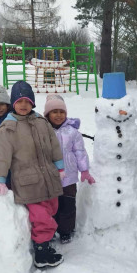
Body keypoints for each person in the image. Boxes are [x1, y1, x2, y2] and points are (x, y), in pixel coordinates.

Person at [0, 81, 65, 268]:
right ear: (13, 104)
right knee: (41, 217)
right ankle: (41, 253)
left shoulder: (41, 122)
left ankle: (45, 238)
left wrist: (59, 166)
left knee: (52, 209)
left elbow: (54, 145)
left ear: (32, 102)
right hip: (28, 182)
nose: (23, 105)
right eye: (19, 101)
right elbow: (2, 156)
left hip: (48, 176)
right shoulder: (8, 128)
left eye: (27, 101)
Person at [44, 94, 95, 244]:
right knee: (52, 205)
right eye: (54, 112)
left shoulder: (73, 132)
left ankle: (66, 231)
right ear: (47, 114)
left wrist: (84, 170)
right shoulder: (43, 131)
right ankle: (51, 230)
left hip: (69, 176)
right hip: (50, 176)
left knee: (68, 204)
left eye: (62, 112)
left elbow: (80, 152)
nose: (58, 115)